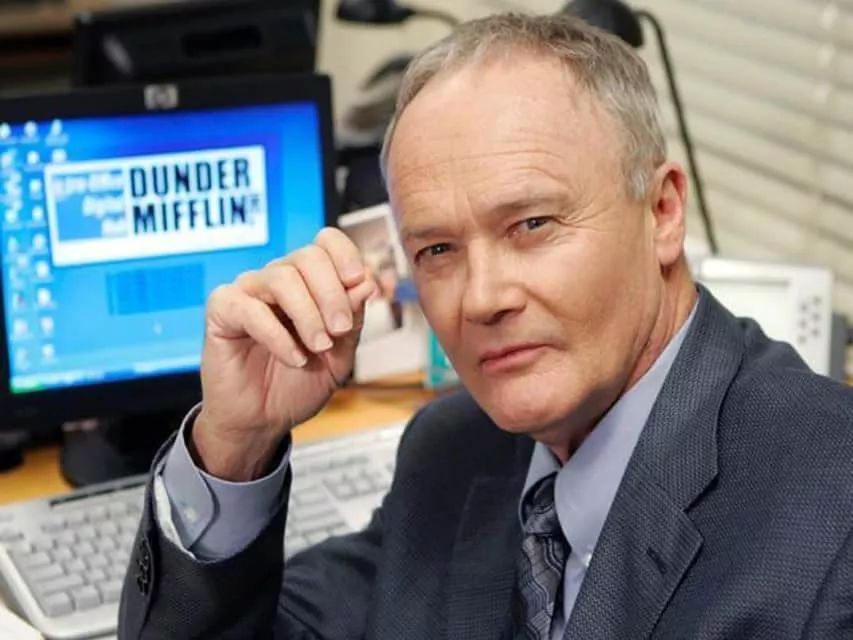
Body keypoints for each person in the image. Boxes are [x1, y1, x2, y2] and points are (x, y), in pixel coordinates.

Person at [119, 13, 853, 640]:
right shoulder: (455, 450)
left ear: (661, 213)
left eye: (532, 224)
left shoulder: (833, 513)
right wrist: (235, 445)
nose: (481, 298)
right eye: (438, 250)